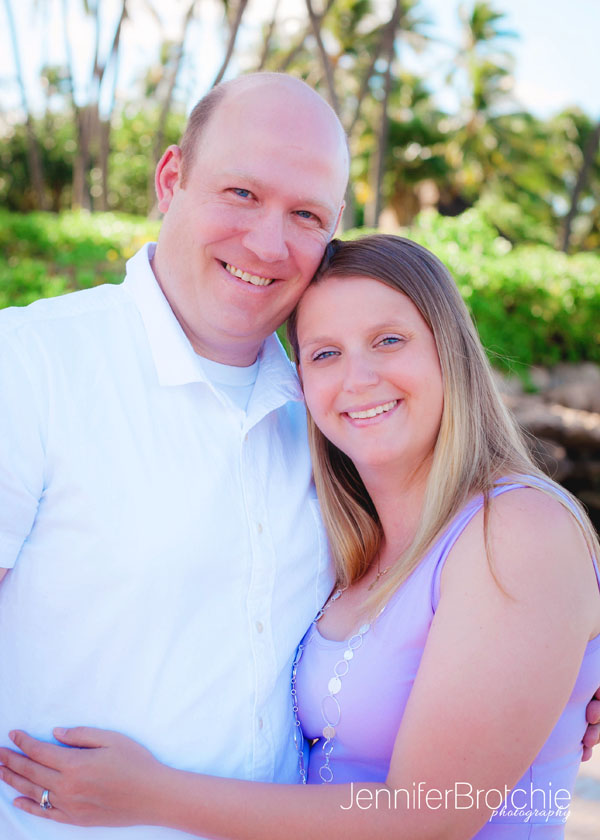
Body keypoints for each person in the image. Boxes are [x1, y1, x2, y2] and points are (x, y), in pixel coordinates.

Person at [1, 234, 600, 839]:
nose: (358, 378)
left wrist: (151, 796)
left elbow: (429, 814)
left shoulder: (518, 531)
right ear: (299, 382)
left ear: (452, 352)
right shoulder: (356, 545)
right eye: (324, 353)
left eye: (388, 340)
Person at [0, 72, 348, 840]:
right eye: (241, 193)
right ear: (171, 179)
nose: (267, 242)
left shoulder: (333, 409)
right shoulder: (29, 364)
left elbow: (434, 569)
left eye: (305, 214)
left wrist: (567, 659)